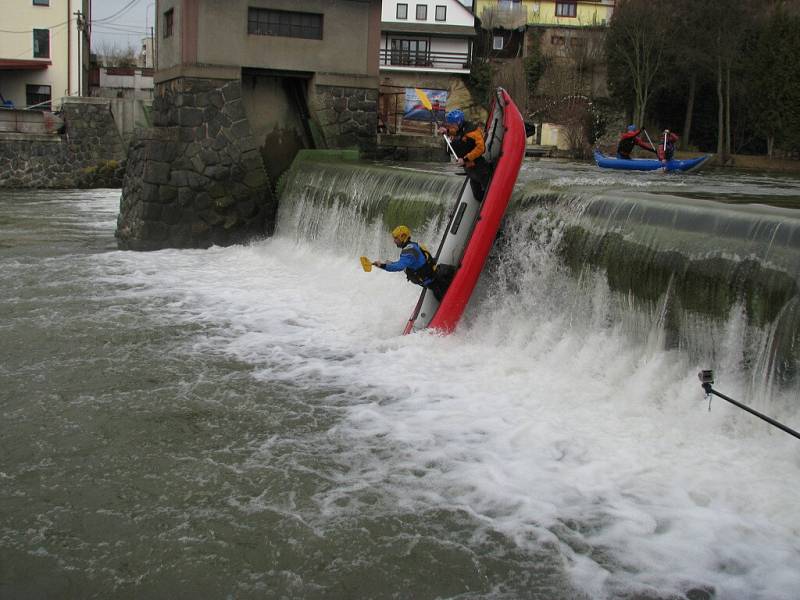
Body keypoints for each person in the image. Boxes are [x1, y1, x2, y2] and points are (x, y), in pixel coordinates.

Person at [372, 225, 455, 301]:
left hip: (439, 282)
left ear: (403, 237)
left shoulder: (408, 251)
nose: (394, 241)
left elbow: (399, 267)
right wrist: (391, 263)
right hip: (439, 275)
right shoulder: (412, 246)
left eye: (396, 238)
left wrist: (382, 265)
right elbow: (408, 263)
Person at [437, 109, 491, 202]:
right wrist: (447, 131)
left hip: (480, 168)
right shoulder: (461, 128)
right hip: (470, 170)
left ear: (458, 122)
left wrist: (465, 159)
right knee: (477, 196)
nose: (451, 126)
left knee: (488, 192)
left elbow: (481, 148)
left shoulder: (473, 131)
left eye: (452, 124)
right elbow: (458, 132)